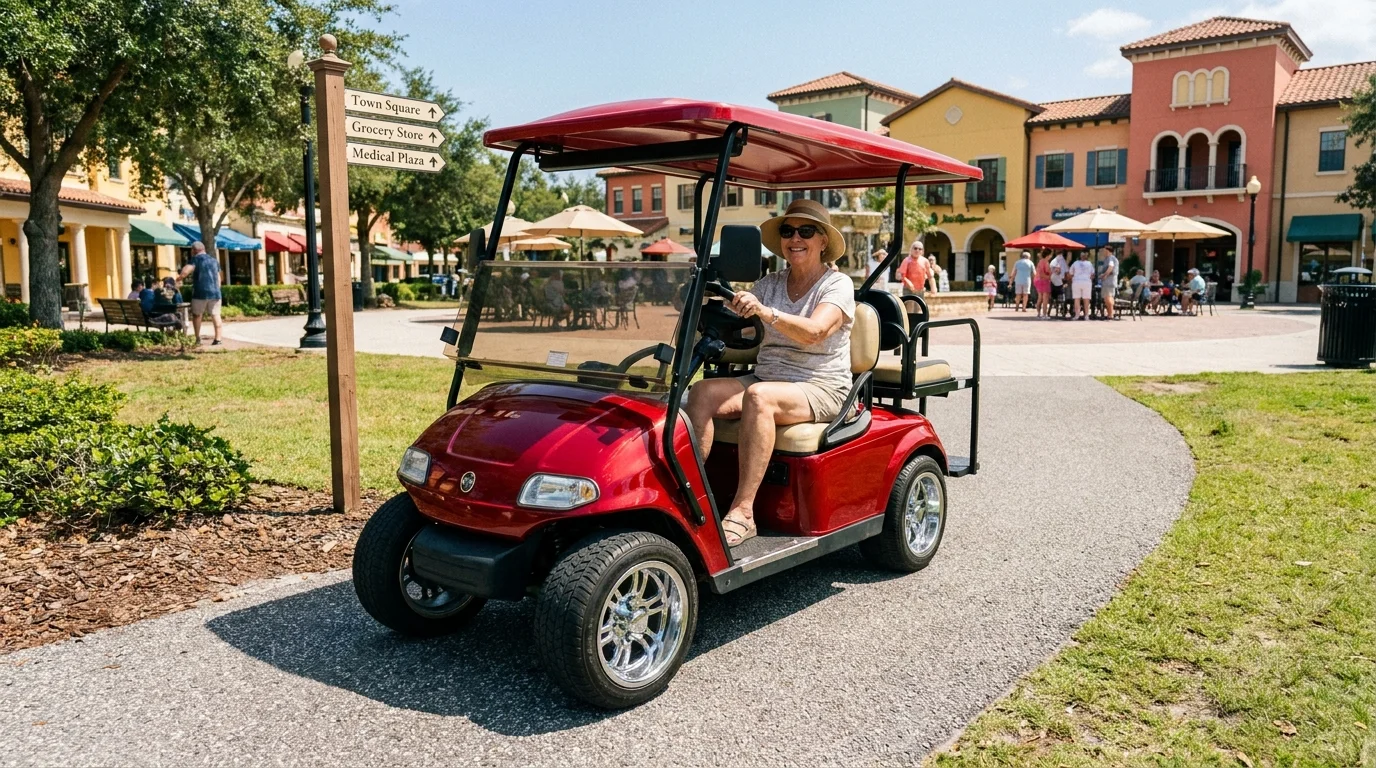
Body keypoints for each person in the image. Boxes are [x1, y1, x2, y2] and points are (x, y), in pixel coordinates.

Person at [684, 199, 854, 547]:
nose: (796, 238)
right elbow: (745, 319)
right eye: (788, 231)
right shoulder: (770, 282)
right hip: (768, 376)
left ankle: (743, 513)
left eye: (806, 231)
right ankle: (691, 497)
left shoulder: (837, 285)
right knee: (701, 392)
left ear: (823, 241)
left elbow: (815, 331)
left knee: (759, 398)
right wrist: (711, 297)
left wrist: (766, 313)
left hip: (820, 385)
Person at [178, 241, 223, 345]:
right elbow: (218, 278)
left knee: (197, 315)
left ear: (193, 250)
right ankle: (218, 339)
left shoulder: (195, 259)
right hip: (215, 292)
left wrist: (179, 278)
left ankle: (198, 338)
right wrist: (217, 289)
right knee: (216, 315)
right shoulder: (214, 260)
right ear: (204, 249)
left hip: (200, 292)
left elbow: (186, 271)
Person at [1068, 251, 1095, 320]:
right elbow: (1092, 275)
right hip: (1086, 282)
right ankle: (1086, 315)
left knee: (1077, 299)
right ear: (1086, 256)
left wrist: (1072, 279)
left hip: (1077, 281)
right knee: (1086, 299)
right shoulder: (1089, 264)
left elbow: (1070, 273)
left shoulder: (1075, 263)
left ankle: (1077, 315)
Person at [1098, 247, 1119, 320]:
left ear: (1107, 251)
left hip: (1109, 282)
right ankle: (1110, 314)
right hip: (1111, 281)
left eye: (1104, 251)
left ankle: (1110, 314)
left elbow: (1111, 267)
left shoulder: (1110, 258)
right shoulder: (1111, 258)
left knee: (1108, 298)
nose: (1103, 252)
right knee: (1109, 297)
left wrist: (1104, 275)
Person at [1034, 250, 1052, 318]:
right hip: (1044, 280)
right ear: (1048, 255)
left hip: (1037, 280)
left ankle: (1038, 313)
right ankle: (1044, 314)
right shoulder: (1046, 262)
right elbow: (1047, 271)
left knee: (1040, 298)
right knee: (1045, 298)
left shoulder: (1040, 261)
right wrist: (1052, 272)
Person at [1049, 249, 1068, 315]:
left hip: (1052, 281)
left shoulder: (1053, 261)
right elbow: (1065, 272)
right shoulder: (1062, 261)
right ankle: (1063, 310)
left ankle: (1050, 311)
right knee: (1062, 298)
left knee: (1053, 297)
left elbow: (1051, 270)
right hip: (1060, 282)